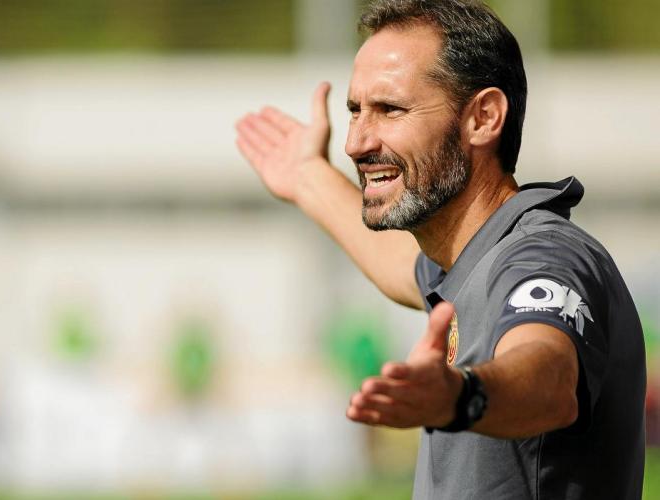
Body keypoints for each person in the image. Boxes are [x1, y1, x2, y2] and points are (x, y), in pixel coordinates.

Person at [234, 0, 646, 498]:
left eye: (390, 109)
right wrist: (307, 178)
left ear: (483, 118)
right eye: (355, 111)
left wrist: (462, 396)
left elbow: (549, 376)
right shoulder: (470, 260)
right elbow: (397, 266)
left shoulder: (543, 255)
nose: (355, 143)